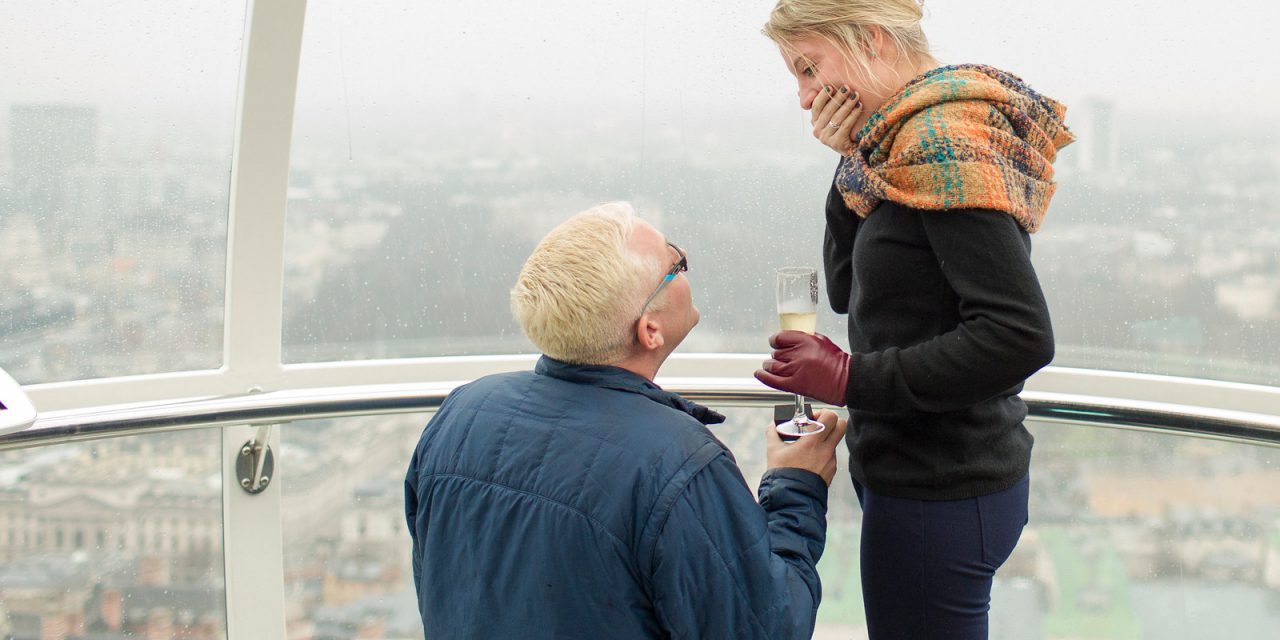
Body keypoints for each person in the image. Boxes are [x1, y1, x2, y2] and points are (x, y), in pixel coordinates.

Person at [755, 1, 1074, 638]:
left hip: (944, 485)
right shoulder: (898, 145)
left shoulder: (943, 144)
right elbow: (848, 290)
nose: (803, 96)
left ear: (870, 39)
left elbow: (1019, 335)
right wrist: (851, 155)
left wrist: (848, 379)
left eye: (808, 68)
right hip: (922, 470)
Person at [405, 202, 848, 639]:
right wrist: (797, 486)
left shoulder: (461, 415)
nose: (684, 270)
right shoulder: (675, 463)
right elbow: (768, 628)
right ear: (648, 329)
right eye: (675, 265)